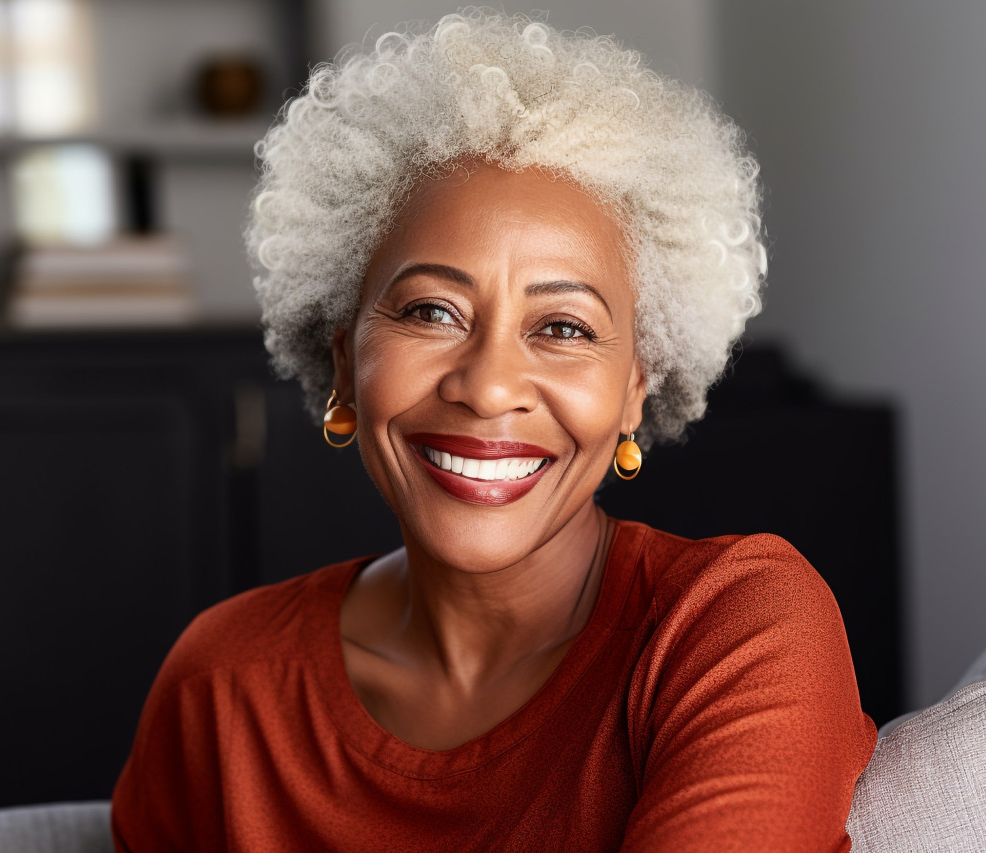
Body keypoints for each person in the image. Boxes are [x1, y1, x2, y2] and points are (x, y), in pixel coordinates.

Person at [112, 11, 877, 851]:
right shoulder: (223, 683)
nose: (488, 386)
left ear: (632, 393)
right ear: (344, 363)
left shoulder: (734, 627)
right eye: (431, 310)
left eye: (564, 327)